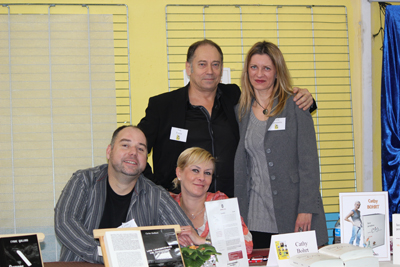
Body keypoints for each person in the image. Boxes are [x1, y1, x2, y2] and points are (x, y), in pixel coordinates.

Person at [138, 39, 316, 198]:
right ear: (188, 67)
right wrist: (157, 189)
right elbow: (136, 148)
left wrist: (306, 100)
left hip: (231, 206)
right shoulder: (163, 106)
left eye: (215, 64)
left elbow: (270, 102)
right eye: (202, 64)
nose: (210, 71)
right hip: (180, 205)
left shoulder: (235, 97)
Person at [54, 125, 199, 263]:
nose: (133, 152)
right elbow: (65, 223)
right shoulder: (84, 181)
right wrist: (104, 253)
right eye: (125, 145)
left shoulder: (157, 196)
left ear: (145, 160)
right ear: (109, 151)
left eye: (141, 149)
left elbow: (189, 237)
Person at [234, 41, 328, 248]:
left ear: (277, 72)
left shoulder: (296, 105)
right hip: (254, 217)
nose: (259, 74)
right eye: (254, 67)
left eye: (267, 68)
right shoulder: (240, 111)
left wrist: (306, 209)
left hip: (293, 213)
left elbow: (309, 163)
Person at [170, 147, 253, 254]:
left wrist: (201, 241)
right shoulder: (168, 205)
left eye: (207, 173)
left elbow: (246, 246)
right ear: (179, 173)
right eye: (195, 170)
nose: (201, 178)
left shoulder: (219, 203)